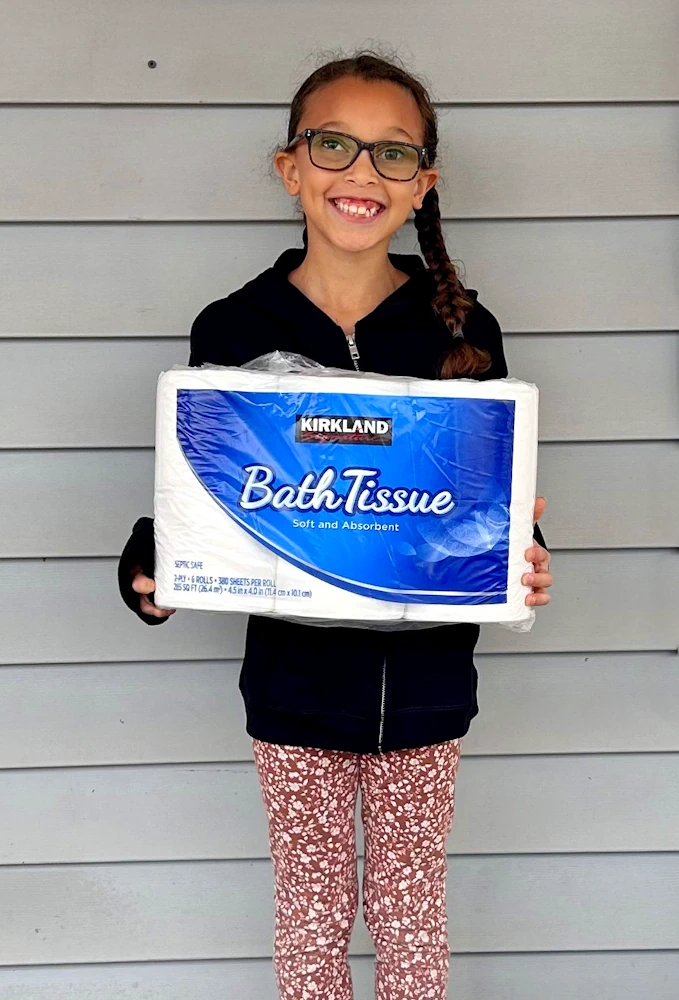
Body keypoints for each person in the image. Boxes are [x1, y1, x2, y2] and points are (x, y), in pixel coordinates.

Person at [118, 51, 553, 1000]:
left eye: (391, 154)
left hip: (429, 691)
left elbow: (487, 507)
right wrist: (153, 571)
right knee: (310, 923)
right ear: (291, 167)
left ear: (422, 183)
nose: (361, 173)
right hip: (293, 689)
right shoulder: (233, 330)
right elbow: (202, 498)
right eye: (333, 145)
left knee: (410, 921)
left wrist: (522, 558)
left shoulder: (463, 331)